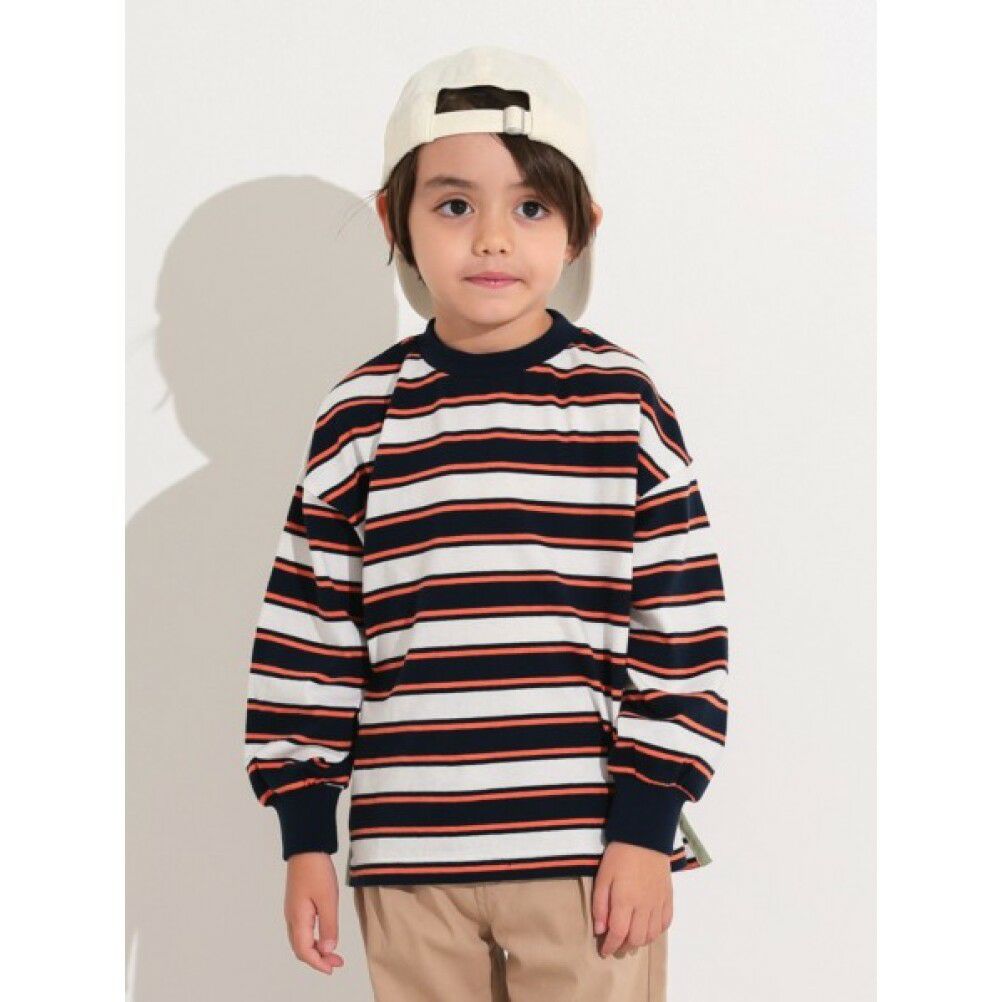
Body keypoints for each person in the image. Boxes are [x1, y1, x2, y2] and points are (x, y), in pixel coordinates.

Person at [242, 44, 728, 1002]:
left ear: (582, 226)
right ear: (396, 219)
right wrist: (305, 838)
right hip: (407, 858)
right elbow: (310, 636)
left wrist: (645, 825)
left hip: (586, 855)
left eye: (532, 207)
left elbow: (681, 631)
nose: (494, 239)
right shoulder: (360, 417)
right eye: (455, 205)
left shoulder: (622, 407)